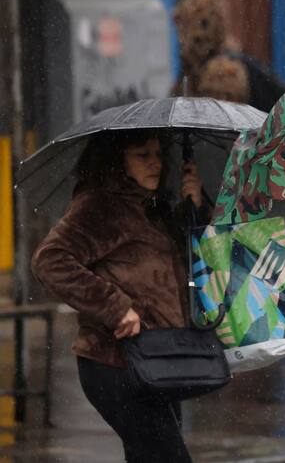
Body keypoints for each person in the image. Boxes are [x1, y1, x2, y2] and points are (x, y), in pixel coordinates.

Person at [31, 130, 204, 462]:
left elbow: (186, 267)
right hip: (115, 363)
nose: (155, 163)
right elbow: (49, 260)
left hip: (161, 360)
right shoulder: (100, 204)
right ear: (118, 161)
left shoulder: (154, 206)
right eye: (142, 155)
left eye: (158, 154)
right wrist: (114, 307)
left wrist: (193, 207)